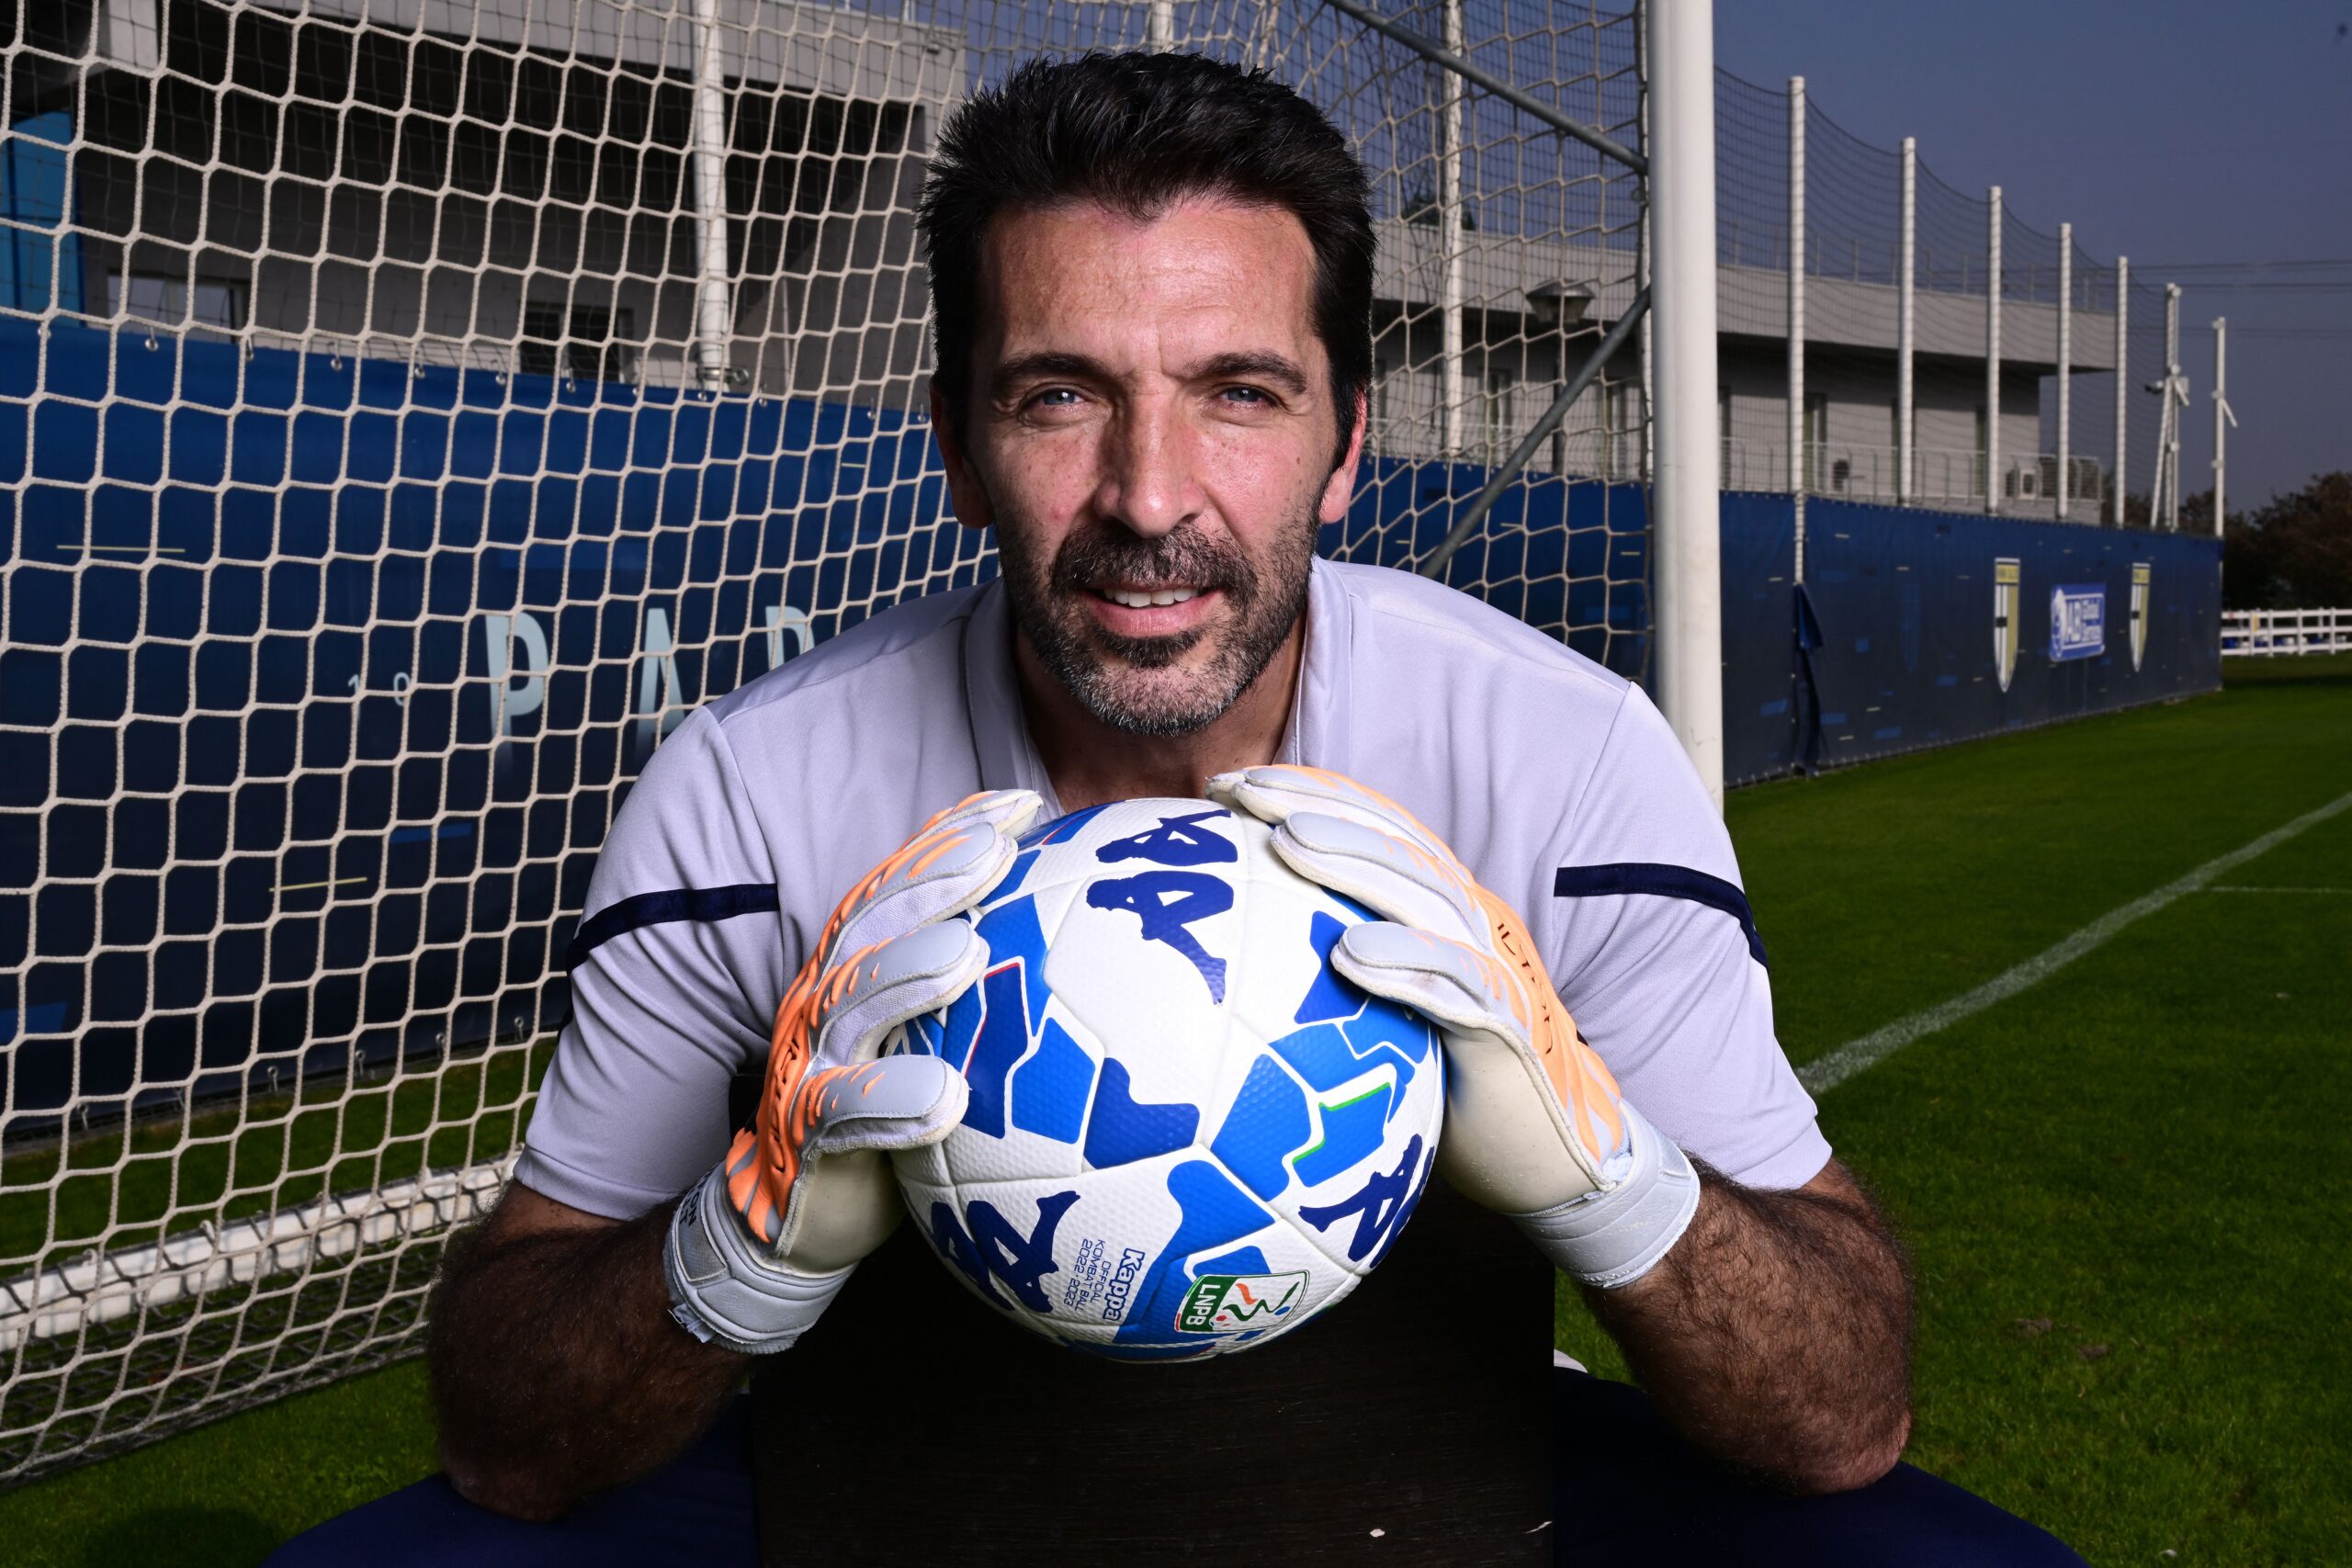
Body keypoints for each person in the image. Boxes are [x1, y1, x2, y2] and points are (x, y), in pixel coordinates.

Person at [270, 51, 2084, 1567]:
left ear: (1346, 443)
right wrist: (734, 1246)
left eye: (1239, 394)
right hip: (883, 1500)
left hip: (1434, 1492)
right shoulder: (755, 795)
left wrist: (1609, 1183)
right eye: (1061, 395)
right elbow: (503, 1430)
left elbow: (1844, 1408)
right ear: (957, 447)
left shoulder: (1559, 761)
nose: (1150, 496)